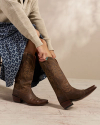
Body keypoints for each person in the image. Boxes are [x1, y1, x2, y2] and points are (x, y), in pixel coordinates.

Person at [0, 0, 97, 109]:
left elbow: (36, 18)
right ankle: (64, 91)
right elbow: (20, 19)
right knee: (35, 35)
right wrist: (39, 44)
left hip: (17, 29)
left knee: (37, 37)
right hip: (2, 32)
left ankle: (24, 89)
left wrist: (48, 47)